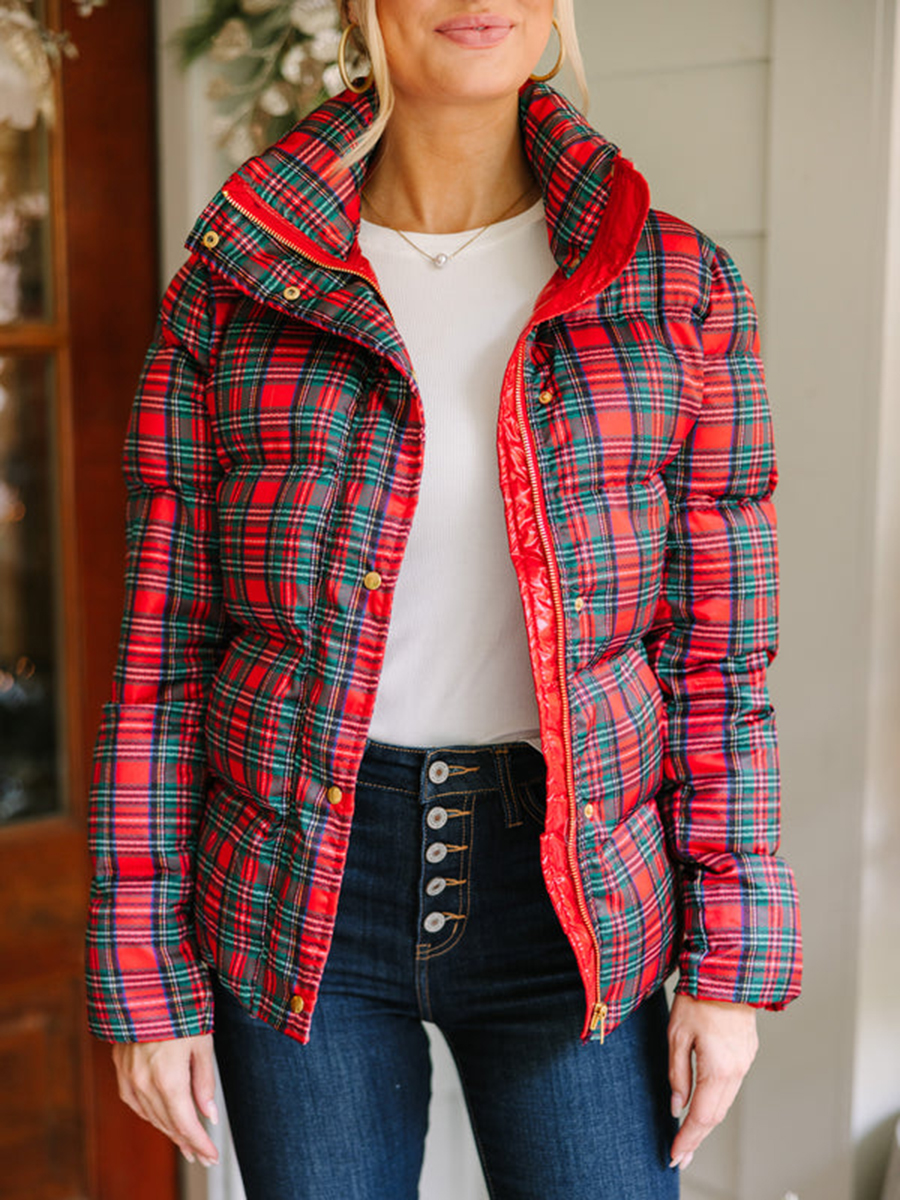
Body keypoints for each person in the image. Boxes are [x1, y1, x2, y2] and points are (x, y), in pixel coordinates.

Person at [85, 1, 803, 1196]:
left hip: (576, 898)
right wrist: (142, 973)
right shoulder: (236, 283)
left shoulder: (673, 285)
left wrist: (731, 963)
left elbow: (716, 663)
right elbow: (163, 654)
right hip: (294, 881)